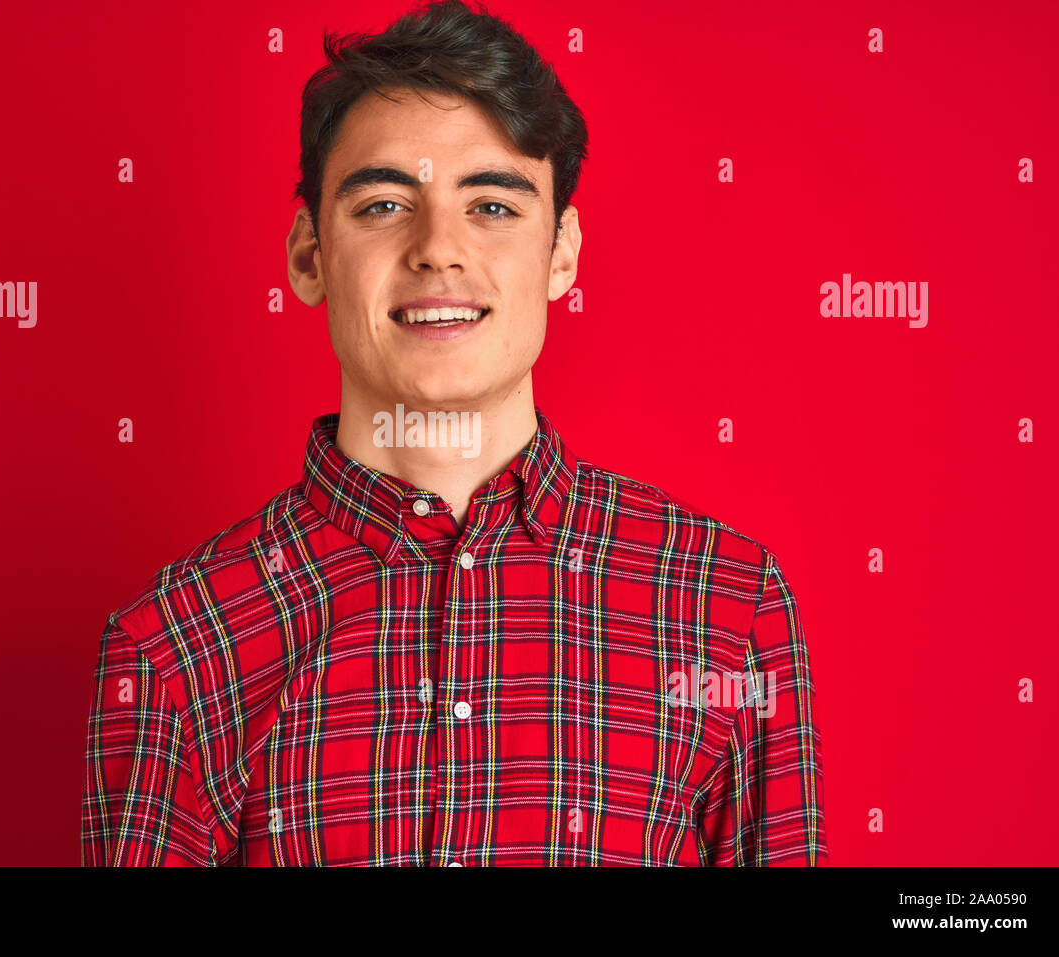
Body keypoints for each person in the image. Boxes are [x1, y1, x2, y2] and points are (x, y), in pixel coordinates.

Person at [82, 0, 826, 866]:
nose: (438, 248)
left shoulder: (728, 608)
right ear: (309, 255)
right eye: (386, 204)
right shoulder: (175, 646)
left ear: (562, 254)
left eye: (494, 207)